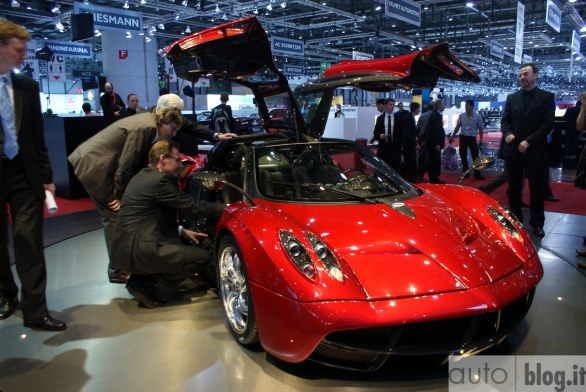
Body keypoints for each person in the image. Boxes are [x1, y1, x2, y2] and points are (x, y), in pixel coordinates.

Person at [68, 97, 185, 283]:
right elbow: (126, 164)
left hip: (101, 163)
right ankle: (117, 270)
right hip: (94, 165)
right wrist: (118, 196)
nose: (173, 134)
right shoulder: (146, 128)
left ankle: (124, 264)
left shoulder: (149, 121)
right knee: (113, 215)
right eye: (173, 129)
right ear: (163, 122)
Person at [0, 19, 66, 331]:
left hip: (25, 175)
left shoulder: (27, 85)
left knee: (29, 241)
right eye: (18, 50)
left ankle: (36, 311)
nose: (24, 55)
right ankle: (5, 294)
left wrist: (47, 176)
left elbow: (36, 137)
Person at [111, 140, 224, 308]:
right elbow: (191, 205)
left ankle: (143, 278)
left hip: (126, 247)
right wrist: (231, 209)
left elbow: (148, 214)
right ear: (163, 159)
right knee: (202, 258)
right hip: (140, 249)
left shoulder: (143, 175)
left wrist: (182, 231)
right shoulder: (161, 180)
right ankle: (143, 282)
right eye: (177, 160)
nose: (180, 164)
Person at [501, 63, 555, 238]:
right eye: (520, 75)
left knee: (537, 189)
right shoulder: (512, 97)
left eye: (525, 74)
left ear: (535, 75)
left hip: (536, 150)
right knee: (514, 189)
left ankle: (537, 223)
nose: (522, 77)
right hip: (513, 150)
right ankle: (516, 221)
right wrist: (508, 133)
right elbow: (505, 120)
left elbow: (548, 124)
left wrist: (529, 141)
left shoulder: (546, 97)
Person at [451, 99, 485, 180]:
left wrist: (481, 139)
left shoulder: (477, 116)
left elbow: (480, 128)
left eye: (467, 105)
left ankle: (477, 174)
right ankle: (465, 172)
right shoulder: (462, 115)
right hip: (463, 137)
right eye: (465, 105)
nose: (465, 107)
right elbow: (457, 126)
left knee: (475, 156)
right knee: (463, 155)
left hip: (472, 138)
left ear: (472, 106)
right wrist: (452, 136)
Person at [372, 98, 404, 171]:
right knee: (383, 169)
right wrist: (380, 136)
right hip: (383, 148)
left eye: (393, 105)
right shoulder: (380, 118)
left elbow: (402, 133)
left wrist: (401, 145)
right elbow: (375, 133)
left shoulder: (398, 118)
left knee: (395, 168)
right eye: (390, 104)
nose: (392, 106)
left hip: (395, 147)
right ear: (385, 106)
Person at [425, 99, 447, 184]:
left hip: (432, 143)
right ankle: (434, 178)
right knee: (435, 161)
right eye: (443, 104)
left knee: (433, 160)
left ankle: (433, 177)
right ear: (439, 106)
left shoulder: (434, 115)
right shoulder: (436, 115)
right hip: (434, 144)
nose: (444, 106)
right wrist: (437, 144)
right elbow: (435, 131)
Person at [401, 102, 420, 182]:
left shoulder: (410, 117)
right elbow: (408, 133)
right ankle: (410, 179)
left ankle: (409, 178)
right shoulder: (409, 118)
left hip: (408, 144)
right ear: (415, 109)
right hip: (409, 145)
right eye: (419, 108)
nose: (419, 110)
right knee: (410, 162)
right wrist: (415, 144)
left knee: (409, 162)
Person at [416, 100, 435, 181]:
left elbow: (418, 128)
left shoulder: (422, 115)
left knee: (421, 158)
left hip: (421, 138)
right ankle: (432, 176)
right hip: (431, 139)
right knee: (432, 158)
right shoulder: (435, 116)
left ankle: (420, 174)